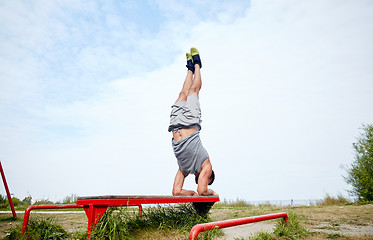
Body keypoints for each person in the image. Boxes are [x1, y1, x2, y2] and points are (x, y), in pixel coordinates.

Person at [169, 47, 217, 196]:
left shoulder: (184, 169)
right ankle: (197, 64)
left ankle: (190, 68)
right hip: (190, 121)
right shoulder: (206, 164)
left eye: (199, 180)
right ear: (208, 176)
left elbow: (176, 192)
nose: (199, 180)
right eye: (204, 180)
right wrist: (211, 192)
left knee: (182, 93)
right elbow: (202, 190)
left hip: (175, 123)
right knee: (193, 91)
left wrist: (190, 194)